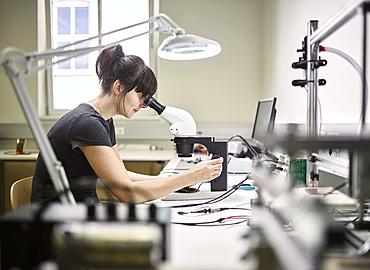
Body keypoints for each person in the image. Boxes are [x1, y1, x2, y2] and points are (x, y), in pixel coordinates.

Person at [31, 44, 223, 204]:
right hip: (58, 226)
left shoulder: (103, 121)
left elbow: (122, 175)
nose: (144, 105)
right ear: (119, 87)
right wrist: (187, 177)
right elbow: (126, 193)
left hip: (81, 212)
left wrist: (175, 182)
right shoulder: (87, 124)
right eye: (141, 95)